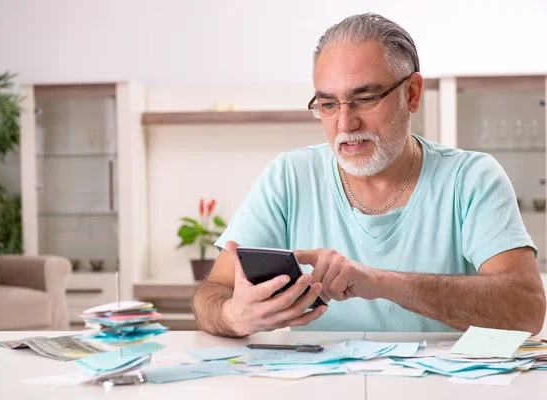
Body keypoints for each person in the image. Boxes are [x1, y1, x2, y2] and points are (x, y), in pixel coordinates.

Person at [192, 13, 546, 337]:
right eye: (328, 104)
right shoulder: (289, 176)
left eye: (365, 98)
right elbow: (212, 294)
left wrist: (379, 283)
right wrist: (233, 316)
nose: (345, 124)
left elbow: (527, 310)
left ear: (411, 94)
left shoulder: (471, 178)